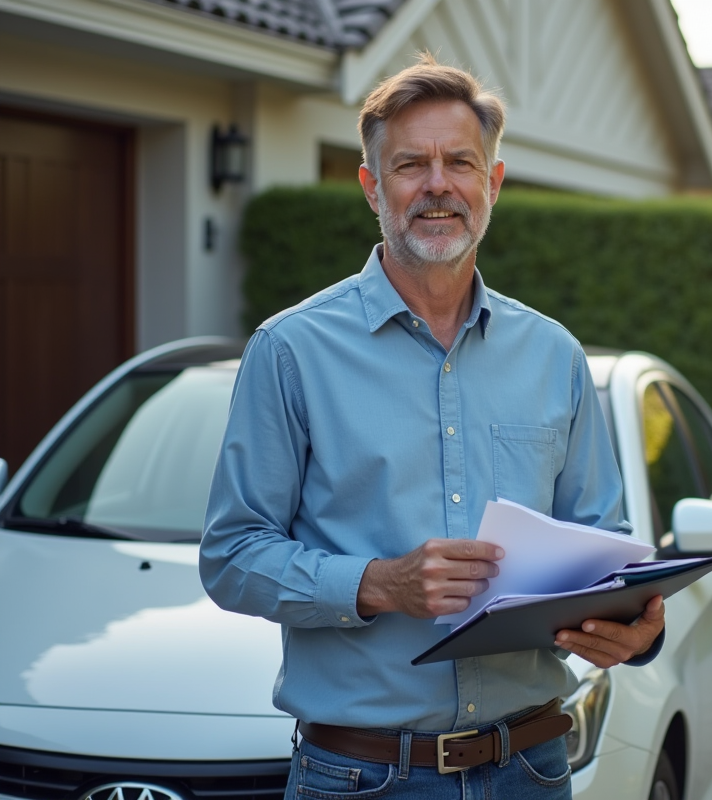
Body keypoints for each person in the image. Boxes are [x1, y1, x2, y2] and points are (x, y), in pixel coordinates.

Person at [199, 54, 665, 799]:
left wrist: (636, 630)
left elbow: (597, 546)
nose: (438, 185)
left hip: (532, 769)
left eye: (461, 163)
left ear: (494, 183)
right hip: (361, 777)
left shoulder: (554, 356)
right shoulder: (290, 352)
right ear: (371, 186)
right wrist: (378, 584)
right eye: (411, 164)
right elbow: (231, 556)